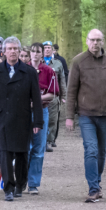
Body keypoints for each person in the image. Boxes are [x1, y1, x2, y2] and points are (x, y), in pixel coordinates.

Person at [65, 29, 106, 203]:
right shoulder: (78, 61)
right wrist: (69, 116)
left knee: (101, 151)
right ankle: (93, 189)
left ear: (103, 42)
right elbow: (71, 91)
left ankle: (97, 182)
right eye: (92, 40)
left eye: (98, 40)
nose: (95, 43)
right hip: (86, 115)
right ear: (87, 41)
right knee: (91, 150)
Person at [0, 37, 43, 202]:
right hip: (2, 117)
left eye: (15, 49)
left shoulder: (29, 72)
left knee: (22, 153)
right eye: (9, 49)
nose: (12, 52)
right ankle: (8, 187)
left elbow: (36, 100)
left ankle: (20, 184)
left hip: (22, 117)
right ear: (4, 51)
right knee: (5, 152)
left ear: (19, 51)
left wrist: (38, 121)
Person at [27, 42, 58, 195]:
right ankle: (21, 179)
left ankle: (33, 183)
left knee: (38, 147)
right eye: (32, 51)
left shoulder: (49, 71)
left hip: (42, 110)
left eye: (38, 51)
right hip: (23, 112)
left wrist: (36, 99)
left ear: (42, 53)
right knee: (24, 147)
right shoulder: (22, 69)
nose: (35, 54)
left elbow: (52, 94)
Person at [42, 41, 67, 152]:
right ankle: (41, 140)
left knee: (52, 119)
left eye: (49, 48)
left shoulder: (58, 63)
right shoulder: (38, 62)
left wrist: (64, 95)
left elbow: (62, 81)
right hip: (40, 95)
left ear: (53, 50)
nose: (47, 49)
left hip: (53, 96)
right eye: (45, 48)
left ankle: (49, 140)